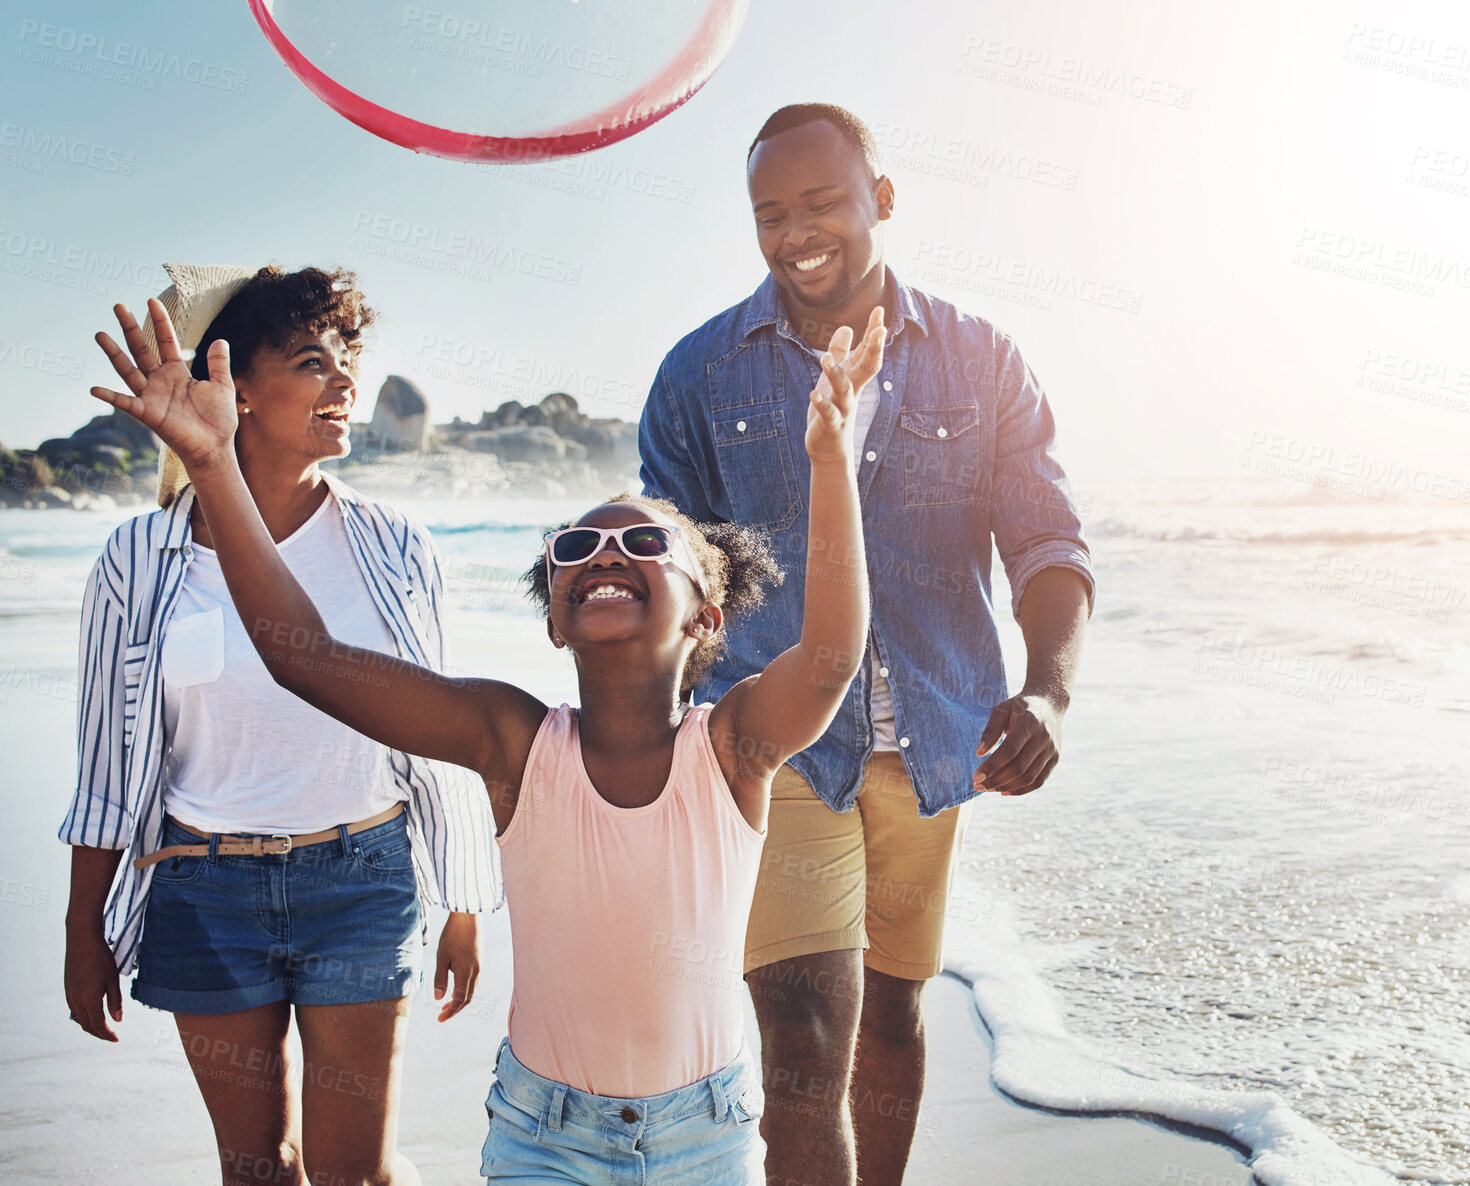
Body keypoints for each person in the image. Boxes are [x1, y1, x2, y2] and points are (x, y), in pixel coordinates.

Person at [83, 292, 887, 1184]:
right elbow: (304, 660)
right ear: (555, 624)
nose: (604, 553)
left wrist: (828, 462)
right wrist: (213, 465)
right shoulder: (513, 741)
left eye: (643, 541)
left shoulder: (732, 750)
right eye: (576, 545)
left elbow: (828, 657)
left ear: (707, 614)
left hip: (706, 1137)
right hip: (544, 1138)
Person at [638, 103, 1095, 1185]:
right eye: (769, 212)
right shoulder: (699, 374)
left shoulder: (982, 361)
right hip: (777, 751)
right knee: (803, 1044)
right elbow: (672, 579)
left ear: (881, 200)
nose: (796, 231)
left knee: (891, 1017)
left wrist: (1050, 695)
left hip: (937, 749)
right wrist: (660, 753)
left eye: (822, 202)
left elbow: (1047, 541)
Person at [60, 264, 497, 1186]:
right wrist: (82, 930)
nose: (345, 384)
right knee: (257, 1167)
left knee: (355, 1175)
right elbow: (107, 763)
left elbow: (437, 730)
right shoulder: (139, 558)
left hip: (364, 879)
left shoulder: (395, 544)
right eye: (311, 361)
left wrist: (464, 904)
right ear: (237, 389)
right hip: (203, 891)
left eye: (347, 362)